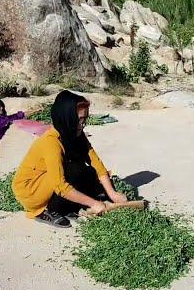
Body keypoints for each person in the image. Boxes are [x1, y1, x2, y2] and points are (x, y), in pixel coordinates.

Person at [12, 90, 128, 228]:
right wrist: (94, 203)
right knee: (74, 168)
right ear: (66, 118)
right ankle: (47, 210)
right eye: (78, 119)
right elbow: (60, 186)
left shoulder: (75, 133)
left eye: (84, 119)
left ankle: (65, 206)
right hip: (30, 190)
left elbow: (95, 162)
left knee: (87, 171)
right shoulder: (51, 142)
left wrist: (112, 193)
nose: (82, 124)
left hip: (50, 181)